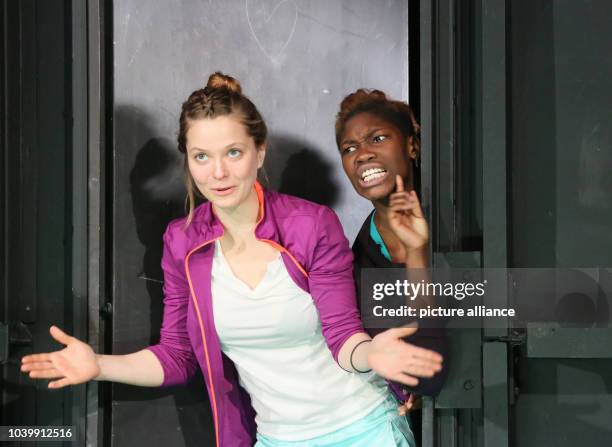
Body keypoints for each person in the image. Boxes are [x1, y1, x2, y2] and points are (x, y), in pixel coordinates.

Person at [21, 73, 444, 447]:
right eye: (201, 156)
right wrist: (97, 365)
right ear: (187, 160)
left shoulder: (311, 224)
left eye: (233, 153)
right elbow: (177, 356)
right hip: (277, 438)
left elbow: (342, 336)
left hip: (362, 429)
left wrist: (372, 355)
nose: (218, 173)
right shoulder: (182, 243)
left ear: (259, 152)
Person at [334, 89, 450, 424]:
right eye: (349, 148)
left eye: (377, 138)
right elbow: (423, 373)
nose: (362, 155)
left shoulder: (458, 222)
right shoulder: (356, 264)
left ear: (412, 145)